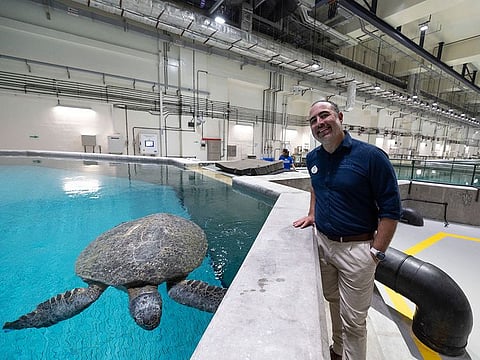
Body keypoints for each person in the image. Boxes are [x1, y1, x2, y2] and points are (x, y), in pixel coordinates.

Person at [293, 100, 401, 360]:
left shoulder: (371, 157)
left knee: (354, 321)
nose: (319, 123)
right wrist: (312, 214)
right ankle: (338, 350)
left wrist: (376, 252)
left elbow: (391, 208)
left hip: (358, 249)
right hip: (324, 245)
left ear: (340, 117)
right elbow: (316, 187)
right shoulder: (313, 158)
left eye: (324, 115)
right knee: (332, 300)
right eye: (313, 120)